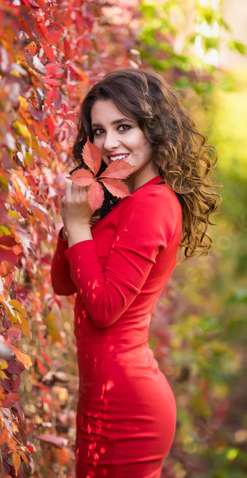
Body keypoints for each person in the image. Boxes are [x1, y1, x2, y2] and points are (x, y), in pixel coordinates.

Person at [50, 68, 220, 478]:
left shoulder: (154, 203)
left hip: (127, 407)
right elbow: (63, 283)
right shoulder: (125, 199)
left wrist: (77, 227)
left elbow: (105, 309)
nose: (110, 143)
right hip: (101, 399)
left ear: (154, 127)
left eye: (123, 127)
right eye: (99, 131)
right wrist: (79, 217)